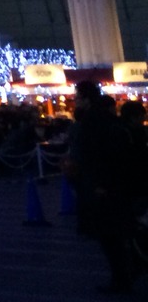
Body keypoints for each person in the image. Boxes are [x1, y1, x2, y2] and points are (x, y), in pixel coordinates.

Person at [67, 81, 136, 293]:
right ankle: (125, 274)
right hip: (116, 184)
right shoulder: (107, 119)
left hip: (103, 187)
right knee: (118, 233)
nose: (75, 101)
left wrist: (99, 184)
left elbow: (96, 156)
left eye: (78, 97)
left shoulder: (92, 122)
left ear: (87, 99)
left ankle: (121, 279)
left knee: (109, 235)